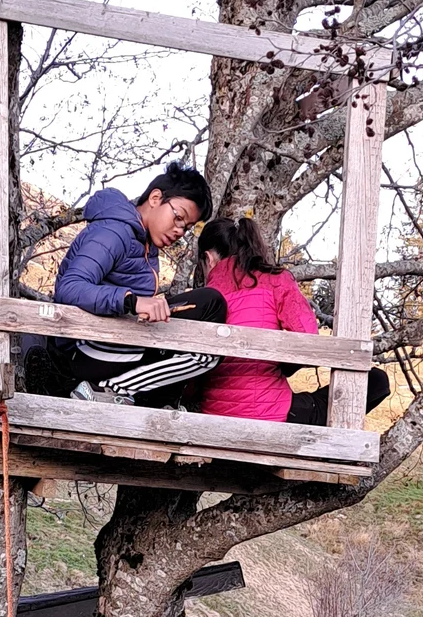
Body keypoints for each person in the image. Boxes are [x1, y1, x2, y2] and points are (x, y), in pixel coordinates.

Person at [24, 163, 227, 404]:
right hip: (83, 350)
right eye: (178, 217)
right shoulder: (114, 232)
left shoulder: (145, 246)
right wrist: (130, 301)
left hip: (112, 345)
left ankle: (123, 392)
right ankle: (105, 390)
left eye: (187, 227)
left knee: (204, 319)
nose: (179, 231)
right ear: (155, 198)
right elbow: (70, 287)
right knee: (209, 305)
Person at [196, 214, 391, 424]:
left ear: (208, 259)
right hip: (273, 415)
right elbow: (309, 339)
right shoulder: (275, 280)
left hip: (214, 415)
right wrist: (279, 367)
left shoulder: (202, 299)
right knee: (378, 381)